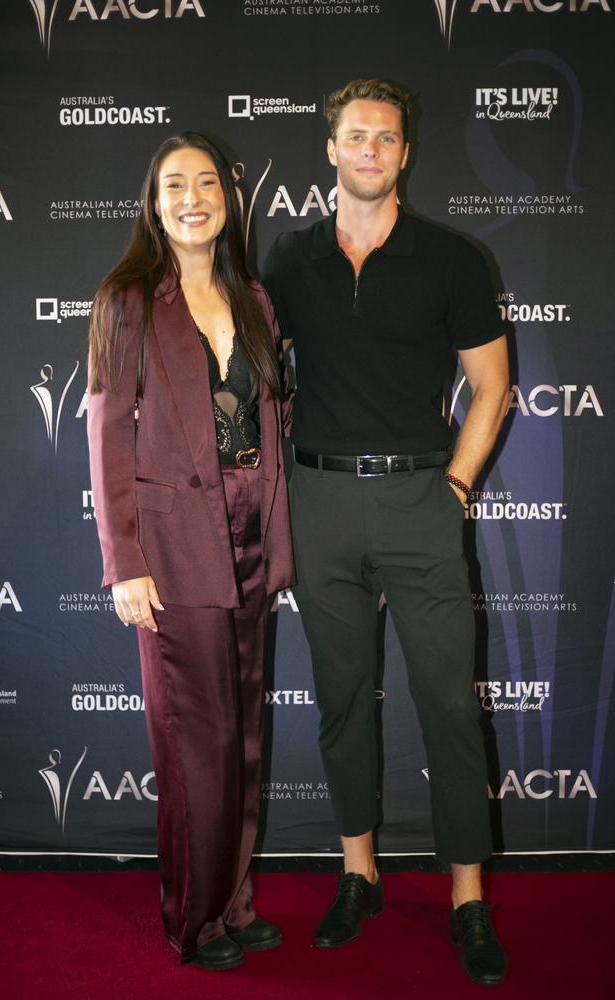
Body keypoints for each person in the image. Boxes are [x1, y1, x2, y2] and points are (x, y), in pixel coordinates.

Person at [262, 79, 509, 986]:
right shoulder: (286, 259)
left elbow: (493, 387)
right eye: (355, 136)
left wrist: (453, 485)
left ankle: (468, 896)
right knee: (340, 700)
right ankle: (357, 876)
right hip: (318, 503)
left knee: (448, 701)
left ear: (406, 155)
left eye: (387, 138)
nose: (370, 150)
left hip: (418, 502)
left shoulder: (451, 257)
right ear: (330, 150)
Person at [87, 132, 294, 971]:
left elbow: (272, 428)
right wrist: (124, 559)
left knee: (243, 737)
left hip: (248, 535)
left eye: (207, 182)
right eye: (176, 184)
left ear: (229, 198)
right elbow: (105, 432)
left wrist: (276, 538)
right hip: (172, 549)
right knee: (194, 743)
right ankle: (193, 919)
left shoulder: (252, 297)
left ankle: (235, 902)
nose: (194, 196)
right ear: (155, 201)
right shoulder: (130, 296)